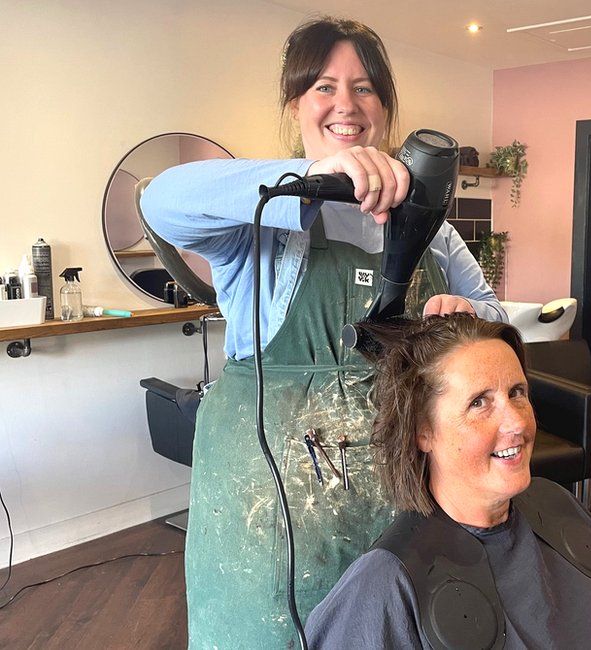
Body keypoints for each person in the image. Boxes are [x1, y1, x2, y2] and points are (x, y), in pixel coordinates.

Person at [139, 16, 505, 648]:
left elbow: (495, 319)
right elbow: (161, 200)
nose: (347, 105)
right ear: (296, 106)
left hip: (398, 495)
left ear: (386, 109)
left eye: (365, 89)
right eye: (324, 88)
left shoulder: (433, 232)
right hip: (271, 510)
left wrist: (466, 323)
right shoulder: (263, 228)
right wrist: (315, 179)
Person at [305, 315, 591, 649]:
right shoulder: (387, 582)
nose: (517, 423)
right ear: (422, 431)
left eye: (517, 393)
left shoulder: (557, 502)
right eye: (479, 403)